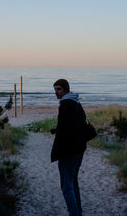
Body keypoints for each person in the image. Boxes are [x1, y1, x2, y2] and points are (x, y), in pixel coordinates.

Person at [51, 78, 87, 216]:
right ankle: (78, 211)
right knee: (73, 182)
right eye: (55, 89)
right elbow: (79, 124)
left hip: (69, 151)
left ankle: (75, 213)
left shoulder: (65, 104)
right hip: (79, 148)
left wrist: (60, 149)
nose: (56, 92)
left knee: (66, 186)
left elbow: (66, 130)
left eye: (58, 89)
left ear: (66, 89)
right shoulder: (76, 102)